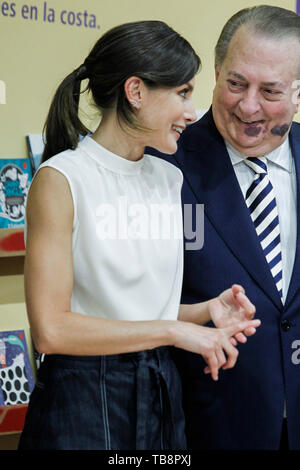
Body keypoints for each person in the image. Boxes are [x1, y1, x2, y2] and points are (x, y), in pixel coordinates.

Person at [18, 21, 260, 450]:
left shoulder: (169, 177)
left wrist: (206, 311)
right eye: (183, 93)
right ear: (136, 92)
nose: (192, 111)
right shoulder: (61, 179)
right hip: (82, 396)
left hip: (161, 389)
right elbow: (52, 330)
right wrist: (173, 331)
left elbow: (135, 312)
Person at [149, 5, 300, 450]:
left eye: (270, 91)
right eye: (235, 83)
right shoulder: (162, 163)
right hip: (206, 426)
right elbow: (127, 306)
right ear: (216, 71)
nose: (248, 105)